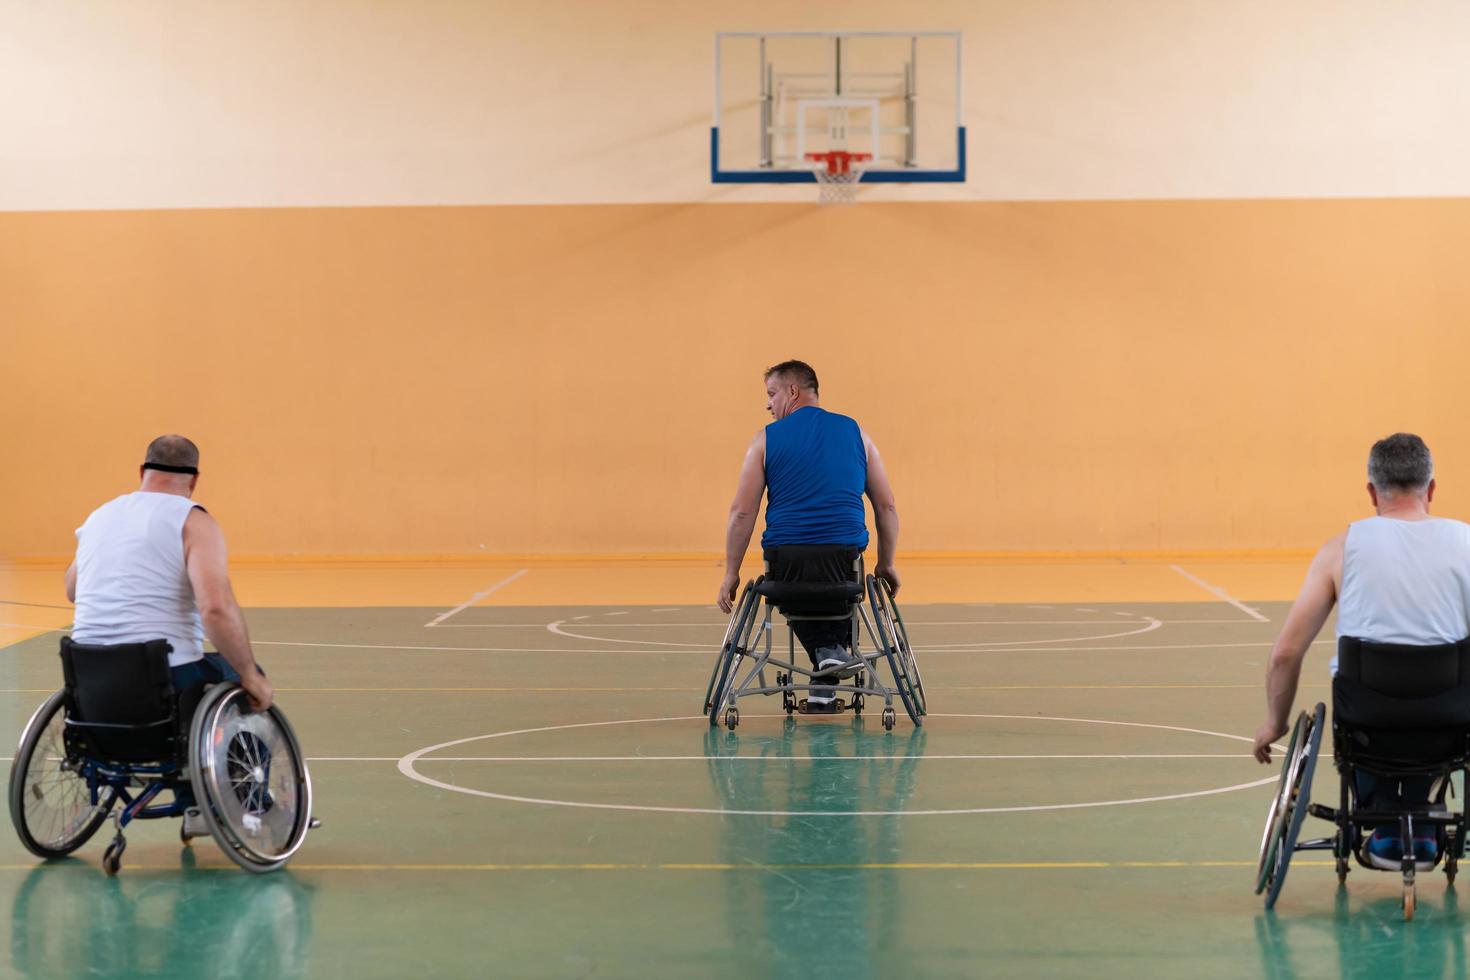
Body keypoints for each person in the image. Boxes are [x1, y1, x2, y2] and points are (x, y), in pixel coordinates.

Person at [1251, 432, 1470, 869]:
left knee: (1369, 719)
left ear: (1372, 492)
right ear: (1431, 489)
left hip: (1367, 725)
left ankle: (1385, 821)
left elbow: (1285, 655)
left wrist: (1274, 723)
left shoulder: (1341, 549)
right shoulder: (1466, 543)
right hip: (1448, 725)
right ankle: (1423, 821)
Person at [66, 435, 274, 829]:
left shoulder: (99, 517)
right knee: (238, 681)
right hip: (162, 682)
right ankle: (248, 803)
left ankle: (193, 799)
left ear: (142, 473)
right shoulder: (195, 521)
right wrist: (249, 675)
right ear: (194, 480)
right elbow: (215, 608)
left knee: (199, 681)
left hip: (89, 682)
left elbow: (72, 589)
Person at [717, 360, 900, 710]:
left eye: (771, 394)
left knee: (794, 589)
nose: (768, 404)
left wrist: (731, 572)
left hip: (787, 564)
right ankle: (829, 660)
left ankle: (826, 657)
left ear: (793, 391)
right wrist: (887, 563)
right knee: (840, 591)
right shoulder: (857, 434)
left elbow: (742, 512)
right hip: (843, 563)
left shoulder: (764, 441)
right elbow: (887, 506)